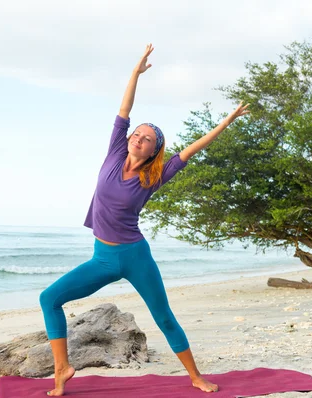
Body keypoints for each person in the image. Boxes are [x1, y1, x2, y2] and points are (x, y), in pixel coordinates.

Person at [39, 43, 250, 396]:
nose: (138, 138)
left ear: (155, 149)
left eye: (146, 138)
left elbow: (195, 147)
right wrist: (135, 74)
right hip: (102, 258)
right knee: (50, 299)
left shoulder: (157, 175)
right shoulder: (115, 151)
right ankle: (62, 370)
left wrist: (227, 121)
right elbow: (124, 110)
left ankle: (195, 376)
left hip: (135, 256)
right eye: (136, 134)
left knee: (163, 317)